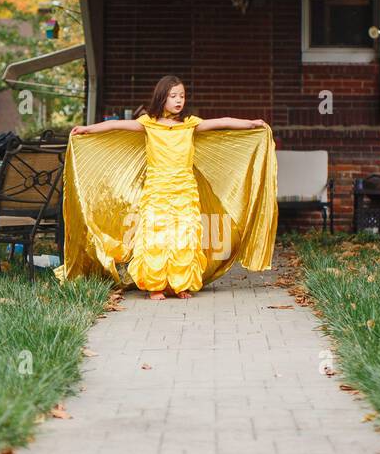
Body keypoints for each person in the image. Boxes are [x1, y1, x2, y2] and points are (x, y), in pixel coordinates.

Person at [68, 75, 269, 299]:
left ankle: (180, 285)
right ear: (161, 98)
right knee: (156, 236)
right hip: (157, 190)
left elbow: (221, 121)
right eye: (173, 96)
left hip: (184, 190)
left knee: (185, 235)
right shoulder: (149, 124)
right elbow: (116, 125)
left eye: (182, 96)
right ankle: (156, 286)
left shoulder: (190, 124)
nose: (178, 100)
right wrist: (87, 129)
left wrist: (251, 124)